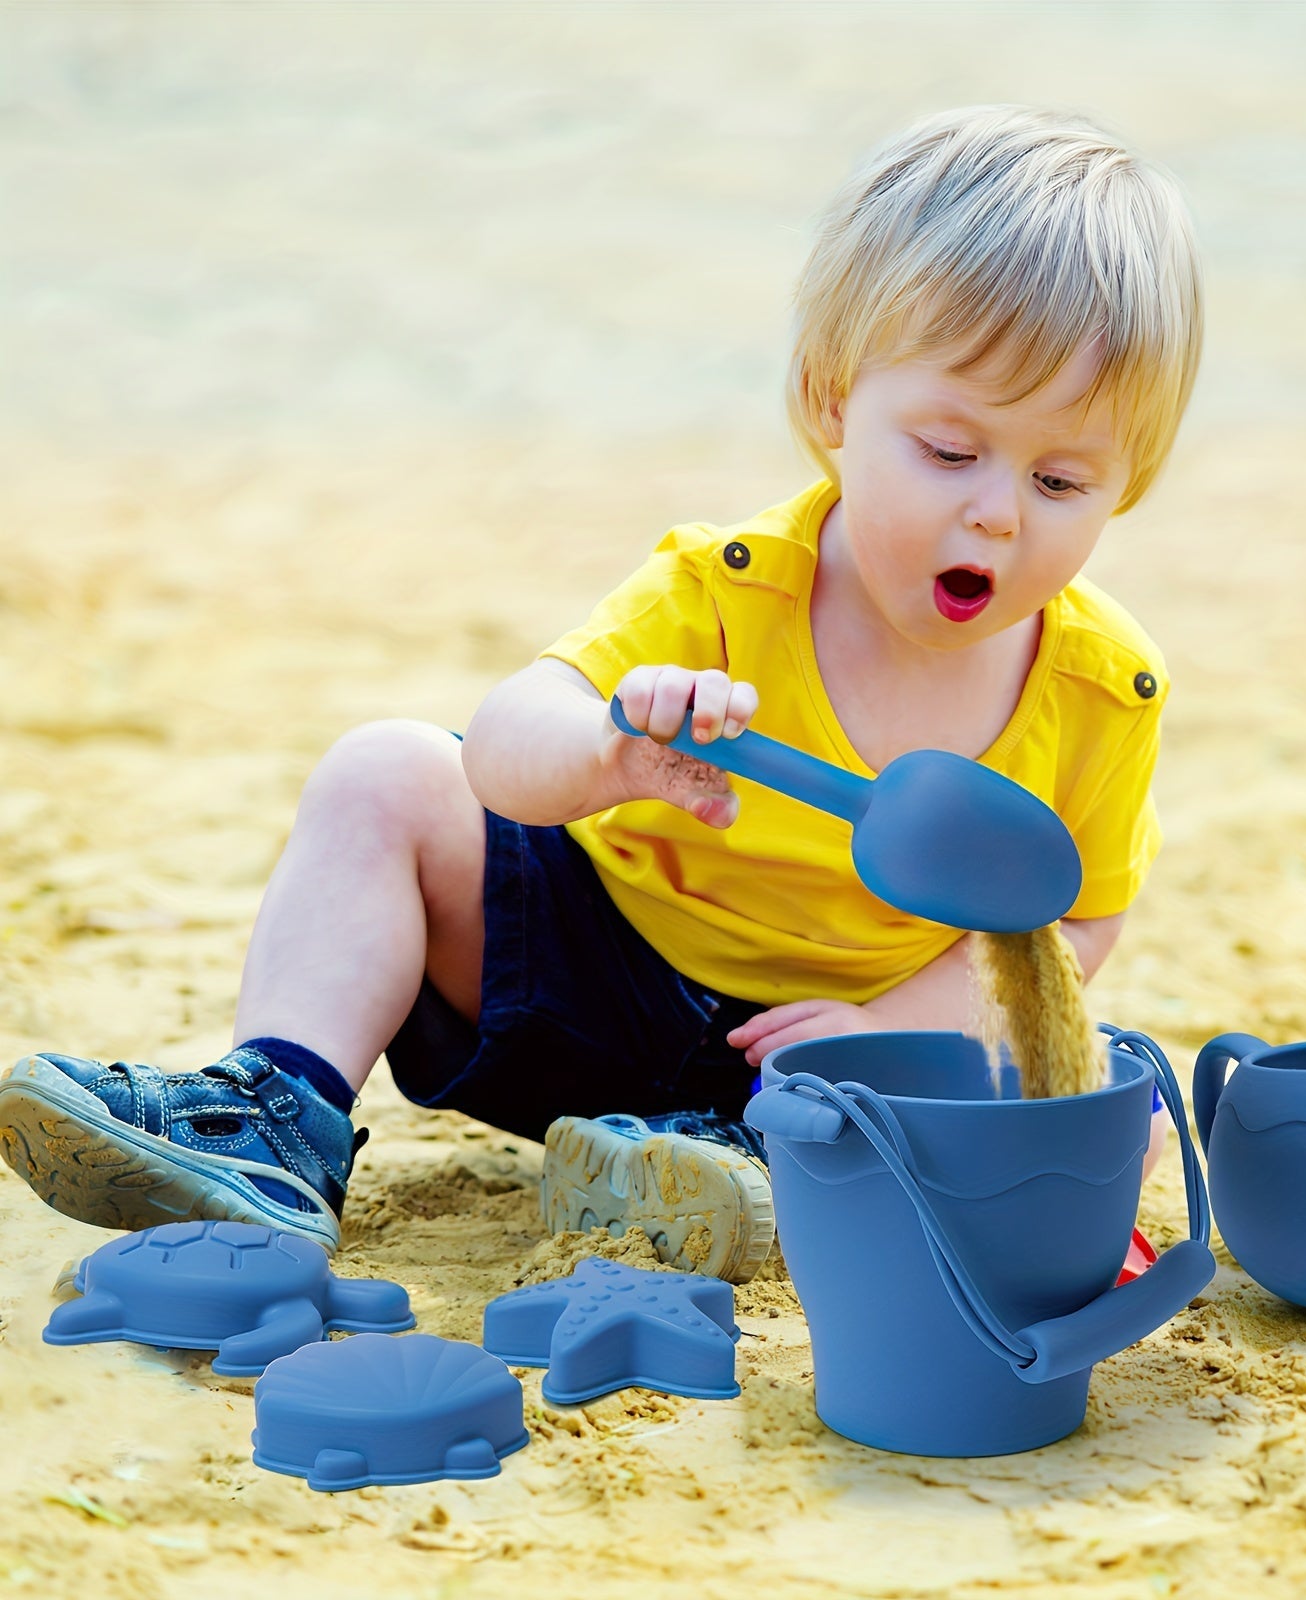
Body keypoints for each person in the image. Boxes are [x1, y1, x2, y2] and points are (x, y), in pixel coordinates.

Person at [0, 105, 1203, 1283]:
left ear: (1126, 482)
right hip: (586, 976)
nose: (996, 509)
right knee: (383, 770)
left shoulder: (1105, 690)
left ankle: (713, 1173)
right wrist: (613, 749)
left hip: (814, 1066)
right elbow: (504, 746)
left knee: (1092, 1095)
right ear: (835, 403)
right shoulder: (726, 587)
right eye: (949, 452)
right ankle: (279, 1116)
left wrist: (897, 1029)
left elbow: (1069, 919)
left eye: (1060, 478)